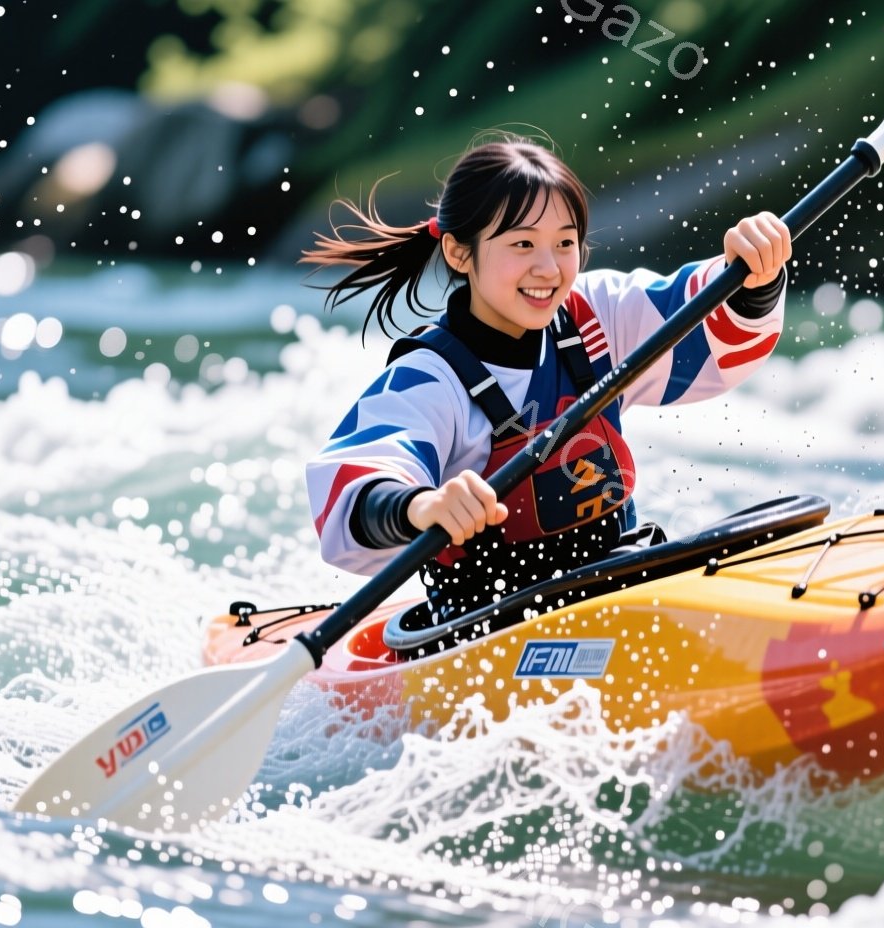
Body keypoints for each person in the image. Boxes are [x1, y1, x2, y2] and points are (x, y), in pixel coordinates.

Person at [303, 136, 792, 621]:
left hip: (620, 586)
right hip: (489, 629)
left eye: (564, 243)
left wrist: (752, 278)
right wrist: (421, 505)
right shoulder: (430, 378)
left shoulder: (594, 315)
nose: (549, 267)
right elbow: (354, 484)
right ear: (458, 252)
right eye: (522, 243)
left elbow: (706, 327)